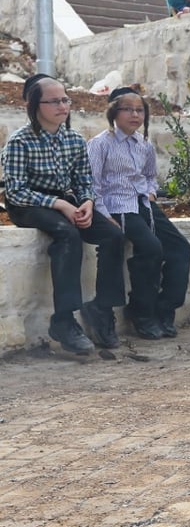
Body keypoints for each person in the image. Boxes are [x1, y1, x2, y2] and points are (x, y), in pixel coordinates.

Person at [2, 77, 126, 353]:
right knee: (68, 234)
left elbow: (84, 180)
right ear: (35, 105)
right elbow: (16, 191)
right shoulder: (19, 141)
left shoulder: (73, 139)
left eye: (65, 100)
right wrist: (61, 205)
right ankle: (63, 321)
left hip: (66, 202)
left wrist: (86, 203)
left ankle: (102, 309)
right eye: (54, 101)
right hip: (28, 205)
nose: (62, 106)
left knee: (113, 235)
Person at [88, 87, 190, 340]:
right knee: (151, 248)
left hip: (143, 203)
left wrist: (151, 192)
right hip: (118, 205)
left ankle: (165, 308)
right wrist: (104, 215)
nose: (135, 115)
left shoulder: (144, 144)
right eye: (128, 109)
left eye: (140, 110)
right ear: (114, 112)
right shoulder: (101, 144)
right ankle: (141, 311)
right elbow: (92, 183)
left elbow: (149, 177)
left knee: (181, 249)